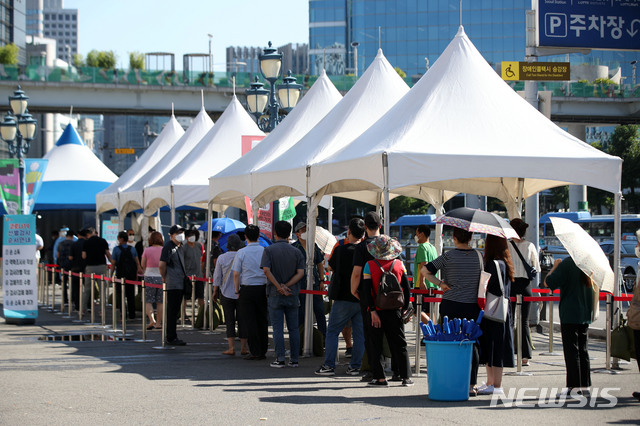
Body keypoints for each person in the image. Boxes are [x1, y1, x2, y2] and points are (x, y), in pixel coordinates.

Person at [423, 227, 483, 396]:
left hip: (450, 304)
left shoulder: (448, 256)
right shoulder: (479, 256)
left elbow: (425, 271)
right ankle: (471, 384)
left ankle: (448, 379)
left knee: (448, 342)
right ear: (470, 238)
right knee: (471, 343)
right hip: (472, 305)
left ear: (454, 238)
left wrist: (440, 284)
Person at [316, 217, 366, 377]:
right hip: (361, 297)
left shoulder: (341, 249)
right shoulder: (367, 250)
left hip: (342, 297)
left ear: (349, 232)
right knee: (360, 334)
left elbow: (330, 266)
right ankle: (355, 366)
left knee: (332, 332)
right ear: (363, 234)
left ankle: (329, 365)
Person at [361, 235, 413, 387]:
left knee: (375, 344)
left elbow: (366, 291)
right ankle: (406, 377)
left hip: (376, 310)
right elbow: (406, 289)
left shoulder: (369, 265)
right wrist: (404, 308)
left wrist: (371, 310)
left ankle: (380, 378)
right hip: (395, 309)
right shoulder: (399, 264)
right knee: (399, 343)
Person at [545, 256, 594, 397]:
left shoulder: (567, 263)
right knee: (583, 350)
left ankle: (573, 386)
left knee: (571, 351)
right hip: (585, 312)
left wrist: (554, 266)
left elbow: (549, 282)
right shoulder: (588, 264)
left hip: (570, 312)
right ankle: (584, 386)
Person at [261, 221, 305, 368]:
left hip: (274, 294)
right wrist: (287, 285)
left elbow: (266, 270)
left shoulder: (269, 250)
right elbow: (301, 273)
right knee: (293, 328)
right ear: (289, 234)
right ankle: (294, 359)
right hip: (292, 293)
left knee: (277, 328)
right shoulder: (297, 251)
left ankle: (280, 358)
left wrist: (278, 286)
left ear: (275, 233)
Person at [477, 234, 515, 395]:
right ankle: (491, 382)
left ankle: (496, 384)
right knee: (495, 345)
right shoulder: (505, 263)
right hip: (503, 310)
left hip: (493, 310)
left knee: (493, 346)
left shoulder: (492, 264)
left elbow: (485, 286)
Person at [351, 211, 384, 383]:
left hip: (368, 294)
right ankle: (399, 371)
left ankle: (374, 370)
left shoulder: (362, 247)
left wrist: (354, 290)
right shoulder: (388, 243)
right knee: (391, 334)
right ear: (380, 225)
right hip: (388, 294)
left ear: (365, 227)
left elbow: (357, 273)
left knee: (371, 335)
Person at [507, 218, 541, 366]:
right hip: (526, 286)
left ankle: (508, 354)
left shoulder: (506, 245)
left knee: (509, 321)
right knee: (524, 322)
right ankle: (525, 356)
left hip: (511, 284)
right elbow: (537, 268)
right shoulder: (530, 246)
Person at [232, 224, 268, 360]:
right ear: (259, 236)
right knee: (262, 319)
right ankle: (263, 349)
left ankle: (255, 350)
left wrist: (237, 290)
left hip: (247, 288)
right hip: (262, 288)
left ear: (245, 237)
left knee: (250, 321)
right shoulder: (265, 250)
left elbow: (236, 273)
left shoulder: (241, 252)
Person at [213, 234, 248, 356]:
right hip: (241, 292)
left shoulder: (222, 258)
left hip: (226, 293)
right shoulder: (243, 256)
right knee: (243, 320)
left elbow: (217, 277)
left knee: (229, 320)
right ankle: (244, 347)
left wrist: (214, 291)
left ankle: (231, 348)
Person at [292, 222, 327, 338]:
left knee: (320, 312)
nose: (306, 232)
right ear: (297, 234)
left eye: (307, 229)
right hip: (300, 285)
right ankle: (302, 338)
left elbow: (320, 264)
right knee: (301, 313)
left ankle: (323, 337)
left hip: (315, 284)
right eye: (303, 230)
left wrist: (322, 280)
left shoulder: (314, 246)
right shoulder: (294, 248)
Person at [159, 225, 188, 346]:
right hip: (173, 283)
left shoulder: (180, 246)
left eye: (182, 232)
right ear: (171, 235)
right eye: (178, 233)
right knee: (172, 311)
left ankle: (172, 335)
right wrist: (164, 277)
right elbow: (162, 264)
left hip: (179, 282)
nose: (181, 234)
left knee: (175, 311)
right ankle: (171, 336)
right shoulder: (168, 247)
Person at [112, 231, 143, 320]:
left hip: (120, 274)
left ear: (121, 239)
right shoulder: (132, 249)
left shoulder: (116, 249)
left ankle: (123, 313)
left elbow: (113, 263)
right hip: (131, 275)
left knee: (121, 295)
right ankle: (132, 313)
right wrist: (137, 273)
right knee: (131, 294)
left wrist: (111, 275)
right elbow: (137, 262)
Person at [82, 227, 112, 314]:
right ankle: (101, 310)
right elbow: (108, 254)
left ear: (88, 234)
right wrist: (112, 262)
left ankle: (83, 309)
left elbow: (83, 256)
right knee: (102, 289)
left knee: (87, 289)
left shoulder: (86, 242)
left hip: (90, 267)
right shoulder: (103, 241)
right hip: (101, 266)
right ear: (95, 232)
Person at [413, 224, 438, 323]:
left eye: (416, 234)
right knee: (429, 312)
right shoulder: (432, 248)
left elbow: (424, 264)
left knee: (417, 310)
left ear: (422, 234)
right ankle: (432, 334)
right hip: (432, 284)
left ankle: (434, 329)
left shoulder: (422, 247)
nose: (415, 236)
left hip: (421, 285)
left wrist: (422, 281)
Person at [142, 231, 164, 330]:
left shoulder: (147, 250)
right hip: (161, 276)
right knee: (160, 301)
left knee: (148, 300)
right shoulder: (164, 250)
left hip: (149, 276)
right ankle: (159, 323)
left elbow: (143, 264)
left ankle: (152, 319)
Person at [183, 228, 205, 316]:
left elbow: (202, 259)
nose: (192, 237)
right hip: (188, 275)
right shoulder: (184, 247)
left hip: (199, 275)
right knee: (186, 296)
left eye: (193, 235)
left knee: (201, 296)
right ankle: (183, 313)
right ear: (186, 237)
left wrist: (202, 269)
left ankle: (202, 313)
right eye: (190, 235)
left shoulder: (199, 246)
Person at [69, 228, 88, 311]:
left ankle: (77, 306)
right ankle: (89, 305)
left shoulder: (74, 244)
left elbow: (70, 257)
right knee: (88, 288)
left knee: (76, 289)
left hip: (75, 268)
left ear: (78, 235)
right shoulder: (88, 243)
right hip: (86, 268)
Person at [56, 229, 75, 306]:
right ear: (72, 236)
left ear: (66, 236)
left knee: (64, 283)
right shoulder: (74, 243)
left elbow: (57, 255)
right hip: (72, 265)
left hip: (63, 265)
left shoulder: (60, 244)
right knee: (73, 283)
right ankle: (73, 299)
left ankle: (65, 300)